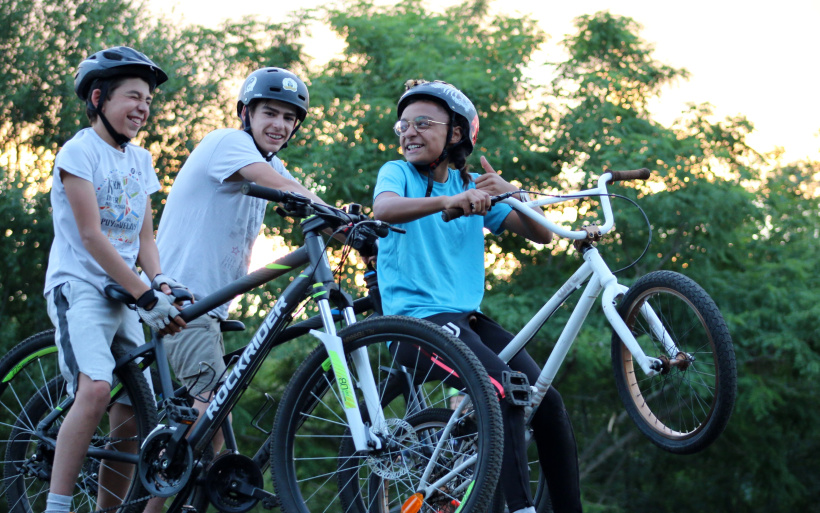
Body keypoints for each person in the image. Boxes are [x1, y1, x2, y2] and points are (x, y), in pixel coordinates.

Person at [373, 79, 583, 513]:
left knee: (546, 400)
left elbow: (541, 235)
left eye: (423, 123)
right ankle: (521, 509)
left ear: (456, 133)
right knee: (502, 388)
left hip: (465, 320)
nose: (409, 132)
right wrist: (454, 199)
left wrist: (512, 193)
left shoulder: (473, 185)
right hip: (416, 325)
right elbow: (385, 209)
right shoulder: (398, 174)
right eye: (403, 124)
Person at [43, 46, 186, 513]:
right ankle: (57, 506)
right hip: (79, 286)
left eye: (147, 99)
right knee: (97, 389)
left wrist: (160, 282)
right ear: (99, 98)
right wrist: (144, 294)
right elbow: (90, 235)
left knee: (128, 417)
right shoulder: (78, 152)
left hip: (126, 294)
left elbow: (145, 239)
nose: (143, 107)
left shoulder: (141, 161)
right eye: (133, 96)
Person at [152, 67, 327, 449]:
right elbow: (284, 186)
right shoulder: (227, 142)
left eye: (288, 117)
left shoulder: (272, 165)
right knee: (213, 408)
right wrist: (336, 216)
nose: (280, 124)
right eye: (270, 113)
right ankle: (188, 505)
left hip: (211, 308)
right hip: (182, 299)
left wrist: (358, 231)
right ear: (245, 113)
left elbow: (294, 191)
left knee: (207, 419)